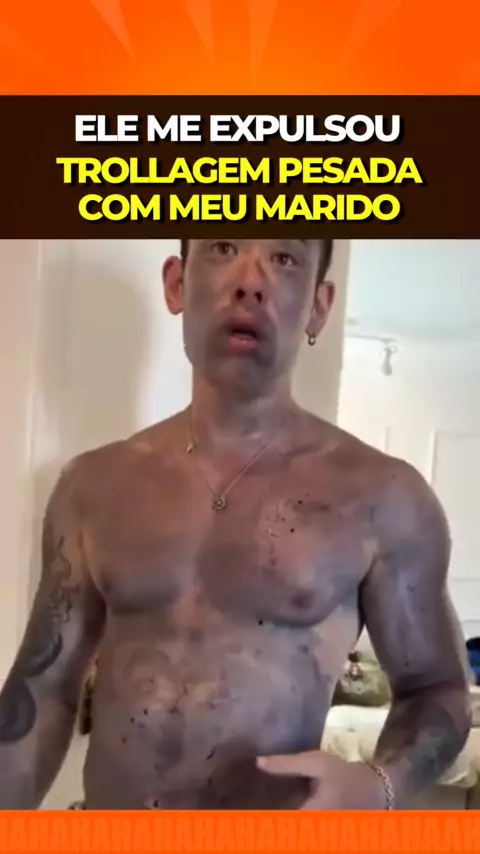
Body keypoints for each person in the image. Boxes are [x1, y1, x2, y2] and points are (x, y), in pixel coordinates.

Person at [0, 239, 470, 810]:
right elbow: (43, 691)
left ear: (319, 306)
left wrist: (379, 786)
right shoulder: (91, 487)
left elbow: (437, 690)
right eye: (224, 247)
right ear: (177, 284)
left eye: (284, 258)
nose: (251, 281)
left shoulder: (385, 497)